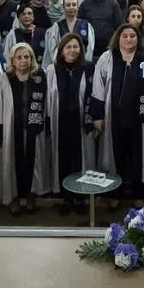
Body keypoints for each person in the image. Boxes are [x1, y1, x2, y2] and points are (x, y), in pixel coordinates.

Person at [91, 24, 144, 201]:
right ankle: (115, 194)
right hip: (114, 116)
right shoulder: (107, 58)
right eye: (125, 36)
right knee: (117, 156)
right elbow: (98, 88)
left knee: (139, 156)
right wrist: (97, 116)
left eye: (133, 36)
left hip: (141, 118)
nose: (129, 39)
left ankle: (139, 193)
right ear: (118, 38)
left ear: (138, 38)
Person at [0, 43, 56, 213]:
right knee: (12, 163)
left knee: (34, 164)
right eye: (19, 57)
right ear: (12, 60)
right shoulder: (3, 80)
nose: (23, 60)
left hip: (34, 129)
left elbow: (48, 104)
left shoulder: (40, 78)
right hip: (12, 131)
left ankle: (31, 196)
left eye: (27, 57)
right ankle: (14, 198)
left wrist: (46, 126)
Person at [47, 33, 96, 214]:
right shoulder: (53, 70)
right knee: (63, 159)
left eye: (76, 47)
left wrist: (93, 119)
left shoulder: (88, 68)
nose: (72, 50)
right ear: (61, 50)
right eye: (68, 47)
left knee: (82, 159)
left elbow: (94, 94)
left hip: (82, 123)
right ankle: (66, 198)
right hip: (60, 123)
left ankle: (81, 198)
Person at [43, 0, 95, 64]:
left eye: (74, 5)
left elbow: (90, 48)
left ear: (77, 7)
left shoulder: (86, 25)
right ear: (63, 8)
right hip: (62, 65)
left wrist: (84, 63)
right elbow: (53, 48)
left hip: (82, 65)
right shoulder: (57, 26)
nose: (71, 7)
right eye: (68, 5)